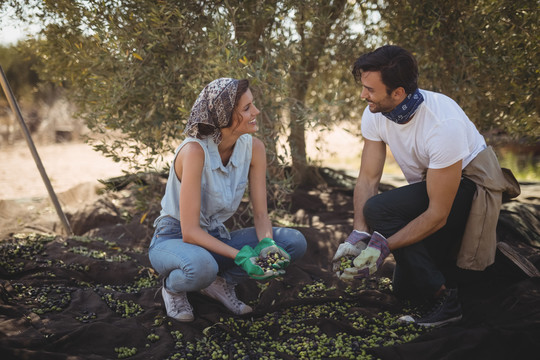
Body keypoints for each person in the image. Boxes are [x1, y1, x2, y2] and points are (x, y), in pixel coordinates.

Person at [332, 45, 520, 327]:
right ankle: (437, 276)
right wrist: (358, 234)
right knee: (406, 289)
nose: (363, 95)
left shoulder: (443, 125)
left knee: (380, 210)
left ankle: (446, 302)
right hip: (430, 187)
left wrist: (382, 248)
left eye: (370, 89)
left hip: (470, 187)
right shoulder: (373, 113)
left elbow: (438, 214)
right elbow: (368, 178)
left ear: (397, 93)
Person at [149, 78, 307, 322]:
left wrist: (267, 244)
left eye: (252, 105)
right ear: (223, 116)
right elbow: (189, 232)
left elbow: (261, 215)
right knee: (202, 268)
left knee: (293, 242)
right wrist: (241, 256)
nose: (256, 112)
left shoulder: (254, 148)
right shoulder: (194, 151)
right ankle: (173, 288)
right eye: (246, 108)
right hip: (174, 237)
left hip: (214, 237)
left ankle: (221, 283)